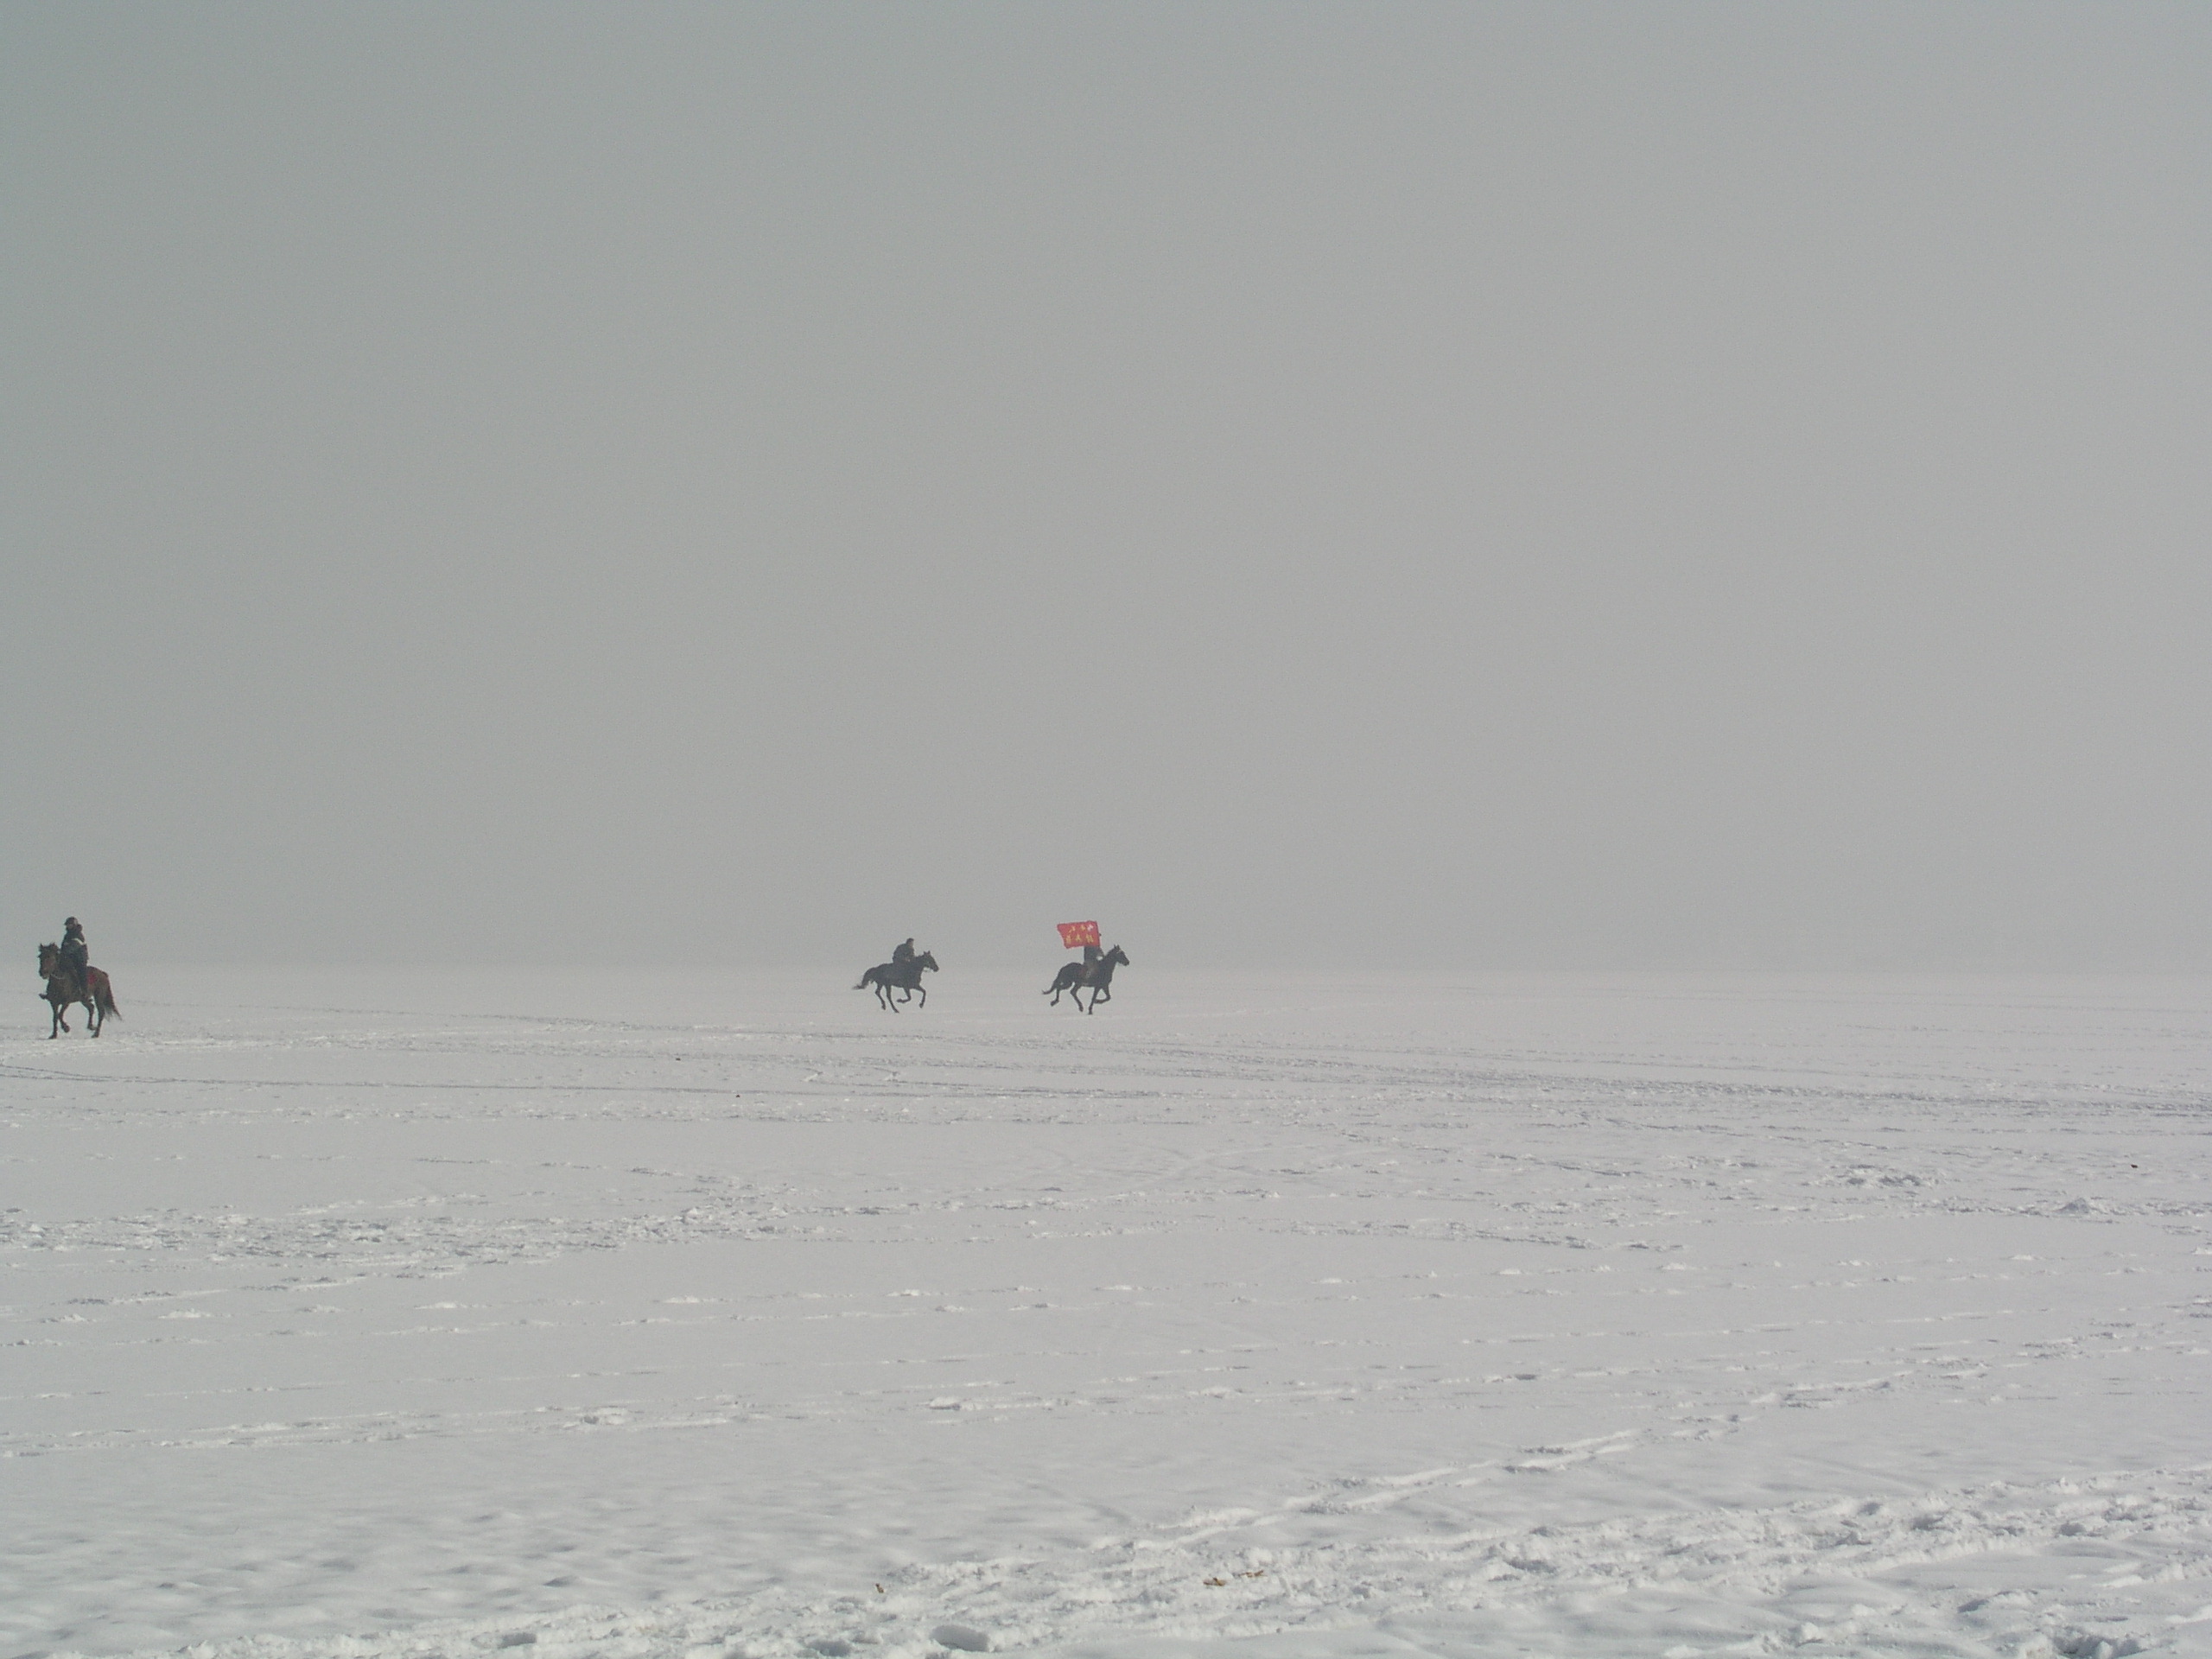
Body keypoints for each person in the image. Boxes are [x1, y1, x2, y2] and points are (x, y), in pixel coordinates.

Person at [59, 918, 90, 1000]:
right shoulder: (67, 935)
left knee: (81, 971)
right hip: (69, 958)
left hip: (79, 958)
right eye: (67, 925)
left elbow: (74, 946)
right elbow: (64, 946)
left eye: (70, 925)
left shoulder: (78, 935)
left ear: (74, 925)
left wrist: (64, 952)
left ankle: (84, 991)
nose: (68, 926)